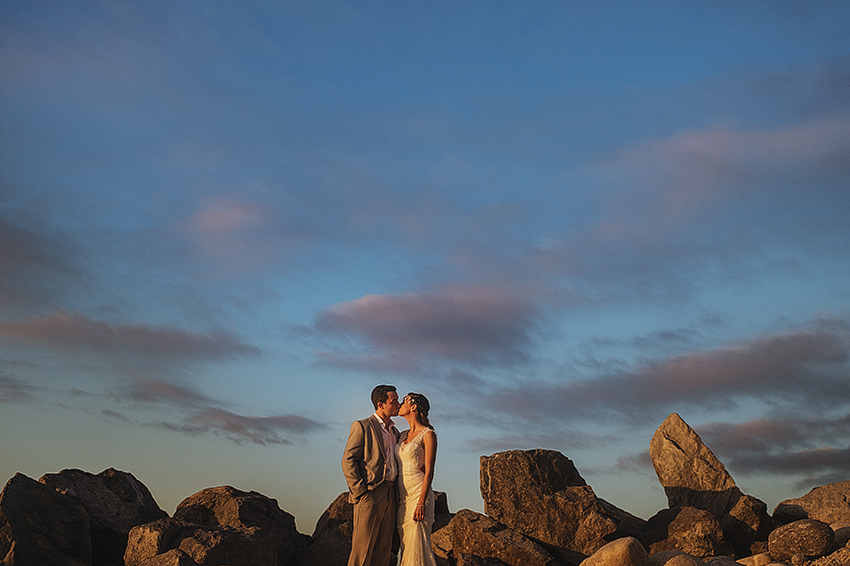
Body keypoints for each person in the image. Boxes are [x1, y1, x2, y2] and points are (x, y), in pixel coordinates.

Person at [342, 385, 401, 566]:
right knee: (362, 552)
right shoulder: (362, 426)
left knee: (383, 552)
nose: (398, 404)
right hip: (370, 493)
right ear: (380, 404)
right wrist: (360, 492)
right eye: (394, 401)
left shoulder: (395, 432)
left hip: (392, 495)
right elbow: (348, 460)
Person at [395, 392, 438, 566]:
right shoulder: (402, 435)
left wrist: (421, 502)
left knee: (417, 545)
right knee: (406, 545)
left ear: (413, 407)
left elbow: (429, 471)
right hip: (402, 496)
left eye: (404, 401)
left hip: (418, 494)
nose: (399, 404)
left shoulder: (428, 434)